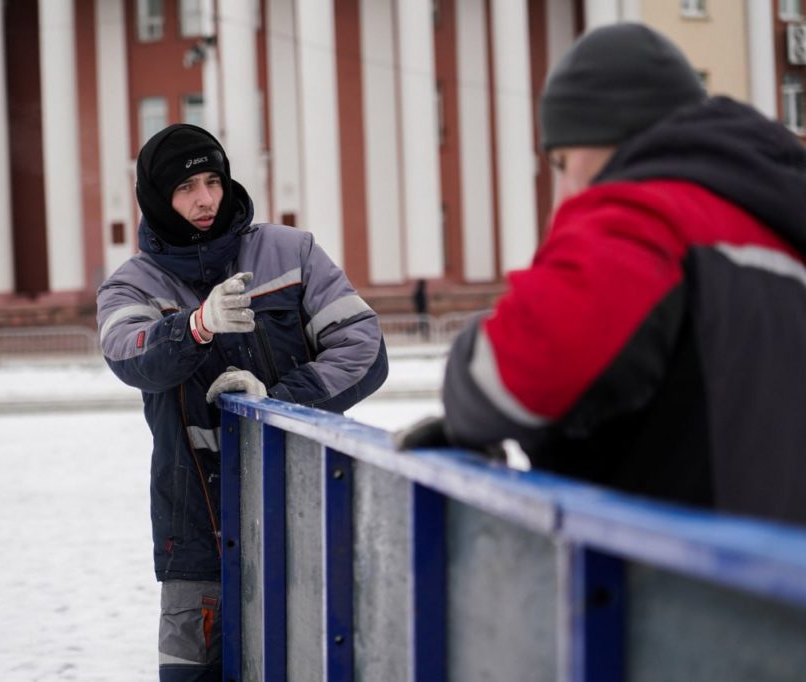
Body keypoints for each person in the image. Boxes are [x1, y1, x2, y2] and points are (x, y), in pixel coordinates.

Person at [399, 23, 806, 526]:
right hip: (775, 572)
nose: (566, 191)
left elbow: (517, 371)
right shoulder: (776, 226)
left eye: (564, 161)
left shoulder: (647, 216)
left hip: (680, 584)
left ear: (606, 136)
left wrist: (464, 379)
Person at [96, 123, 388, 680]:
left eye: (213, 180)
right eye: (185, 189)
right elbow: (129, 355)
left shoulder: (291, 252)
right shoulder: (131, 286)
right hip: (195, 535)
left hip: (303, 516)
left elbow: (363, 348)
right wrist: (196, 326)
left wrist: (276, 403)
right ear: (157, 199)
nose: (205, 199)